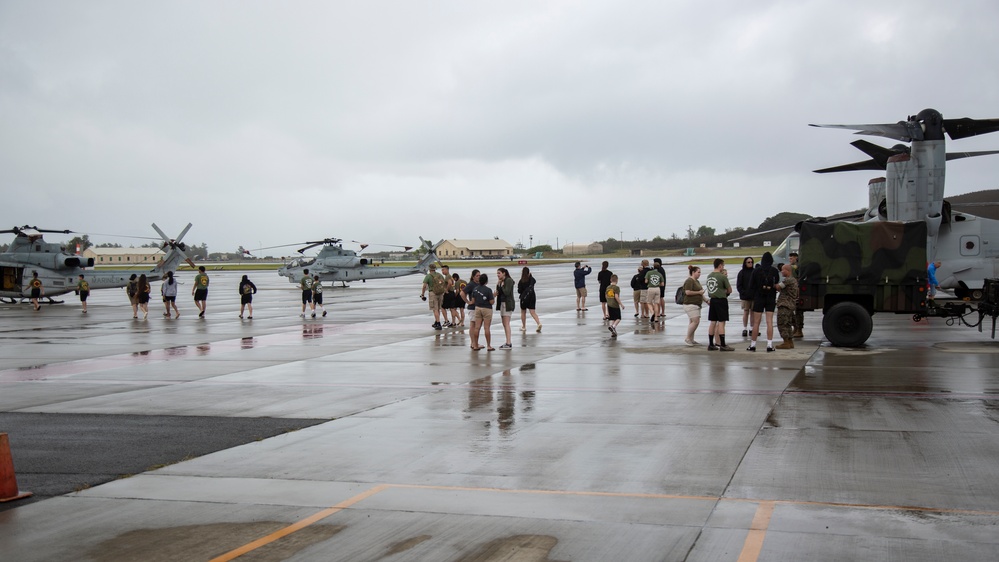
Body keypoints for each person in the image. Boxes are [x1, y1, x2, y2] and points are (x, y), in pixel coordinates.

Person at [748, 252, 780, 352]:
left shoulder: (756, 270)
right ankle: (769, 345)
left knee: (756, 323)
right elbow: (776, 283)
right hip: (770, 297)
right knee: (769, 322)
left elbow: (751, 286)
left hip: (759, 297)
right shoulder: (774, 270)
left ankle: (753, 345)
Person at [705, 259, 734, 351]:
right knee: (721, 322)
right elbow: (729, 290)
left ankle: (710, 343)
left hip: (712, 300)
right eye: (723, 266)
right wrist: (723, 291)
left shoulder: (709, 276)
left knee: (713, 322)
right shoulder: (722, 277)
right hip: (721, 300)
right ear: (720, 266)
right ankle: (723, 344)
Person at [682, 265, 708, 346]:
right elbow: (688, 292)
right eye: (698, 272)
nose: (699, 274)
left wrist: (706, 300)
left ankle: (691, 339)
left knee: (692, 322)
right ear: (693, 272)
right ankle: (687, 338)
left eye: (700, 272)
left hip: (697, 304)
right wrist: (698, 293)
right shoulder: (689, 281)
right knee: (696, 321)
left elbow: (700, 293)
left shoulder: (697, 281)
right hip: (690, 304)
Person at [775, 264, 799, 349]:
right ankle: (790, 342)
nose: (781, 271)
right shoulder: (794, 280)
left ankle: (785, 342)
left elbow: (778, 287)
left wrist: (772, 283)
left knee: (782, 324)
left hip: (784, 305)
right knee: (788, 324)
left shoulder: (788, 280)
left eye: (783, 270)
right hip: (790, 305)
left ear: (788, 271)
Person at [470, 272, 495, 351]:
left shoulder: (475, 289)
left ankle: (475, 345)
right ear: (486, 281)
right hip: (487, 309)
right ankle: (488, 345)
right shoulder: (488, 290)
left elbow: (473, 300)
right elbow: (491, 302)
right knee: (486, 328)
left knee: (477, 327)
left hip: (477, 308)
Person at [420, 263, 447, 329]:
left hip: (433, 293)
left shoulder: (428, 276)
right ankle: (436, 321)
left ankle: (438, 323)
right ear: (435, 268)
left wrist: (422, 294)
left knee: (435, 309)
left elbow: (424, 286)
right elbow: (443, 283)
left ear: (429, 269)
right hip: (440, 293)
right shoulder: (439, 275)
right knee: (438, 308)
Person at [495, 268, 515, 349]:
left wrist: (502, 286)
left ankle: (508, 342)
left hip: (507, 304)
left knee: (506, 323)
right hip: (502, 303)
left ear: (504, 273)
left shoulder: (508, 280)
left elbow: (506, 292)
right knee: (504, 323)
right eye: (497, 273)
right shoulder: (501, 282)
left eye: (499, 273)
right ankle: (507, 341)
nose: (498, 275)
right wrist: (498, 284)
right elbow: (498, 292)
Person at [461, 269, 481, 349]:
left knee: (477, 325)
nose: (478, 277)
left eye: (479, 276)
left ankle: (476, 342)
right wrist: (467, 301)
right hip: (472, 308)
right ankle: (473, 342)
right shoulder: (471, 284)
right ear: (473, 277)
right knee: (473, 325)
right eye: (477, 276)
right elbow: (462, 293)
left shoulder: (479, 284)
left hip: (478, 307)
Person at [736, 257, 755, 337]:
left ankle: (752, 328)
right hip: (745, 296)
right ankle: (745, 328)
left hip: (753, 296)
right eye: (748, 262)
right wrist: (743, 293)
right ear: (745, 263)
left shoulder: (754, 272)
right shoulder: (741, 273)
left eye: (751, 262)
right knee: (746, 311)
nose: (750, 263)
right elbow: (739, 285)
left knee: (753, 312)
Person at [518, 267, 541, 333]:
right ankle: (538, 323)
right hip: (532, 296)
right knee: (533, 312)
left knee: (523, 312)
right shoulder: (531, 279)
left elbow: (519, 290)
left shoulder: (521, 281)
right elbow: (534, 281)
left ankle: (524, 326)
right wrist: (530, 276)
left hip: (524, 298)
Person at [789, 252, 804, 338]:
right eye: (790, 258)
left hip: (796, 291)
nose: (790, 260)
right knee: (794, 311)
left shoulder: (795, 267)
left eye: (791, 258)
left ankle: (798, 329)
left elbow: (796, 279)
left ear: (796, 258)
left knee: (798, 311)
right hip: (793, 291)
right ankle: (796, 328)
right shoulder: (794, 266)